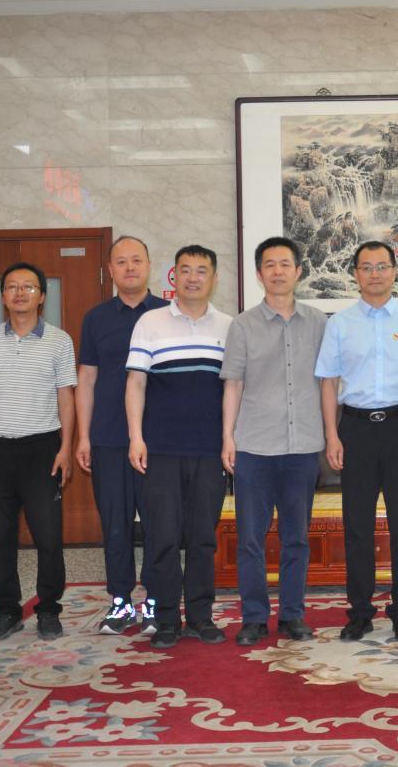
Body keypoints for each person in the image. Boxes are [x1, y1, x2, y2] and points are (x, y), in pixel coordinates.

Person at [316, 241, 398, 642]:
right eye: (366, 267)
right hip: (356, 429)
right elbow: (329, 383)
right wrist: (332, 434)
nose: (375, 274)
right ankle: (360, 612)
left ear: (395, 271)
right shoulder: (340, 323)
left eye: (382, 266)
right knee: (357, 527)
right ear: (355, 274)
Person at [221, 237, 328, 646]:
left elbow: (328, 383)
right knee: (250, 538)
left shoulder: (319, 322)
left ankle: (292, 615)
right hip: (254, 447)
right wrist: (227, 438)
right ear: (259, 273)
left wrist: (331, 435)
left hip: (303, 446)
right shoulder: (243, 325)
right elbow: (233, 384)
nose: (278, 271)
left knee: (296, 538)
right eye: (270, 264)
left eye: (285, 264)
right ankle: (253, 617)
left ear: (298, 271)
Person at [0, 262, 77, 642]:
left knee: (48, 535)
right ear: (3, 296)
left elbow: (66, 396)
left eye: (28, 287)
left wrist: (66, 447)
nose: (19, 293)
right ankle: (7, 610)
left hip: (42, 449)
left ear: (42, 296)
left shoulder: (59, 341)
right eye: (12, 286)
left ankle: (48, 609)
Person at [127, 245, 232, 649]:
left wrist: (229, 439)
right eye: (185, 270)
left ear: (214, 278)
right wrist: (136, 437)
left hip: (209, 449)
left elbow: (233, 388)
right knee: (163, 536)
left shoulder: (228, 326)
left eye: (201, 270)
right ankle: (167, 617)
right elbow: (135, 383)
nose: (193, 277)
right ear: (174, 276)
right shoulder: (150, 322)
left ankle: (201, 617)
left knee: (203, 536)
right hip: (161, 449)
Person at [76, 235, 168, 635]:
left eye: (136, 260)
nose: (129, 267)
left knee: (158, 523)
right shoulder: (96, 319)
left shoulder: (167, 313)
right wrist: (83, 436)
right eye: (121, 261)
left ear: (148, 265)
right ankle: (120, 601)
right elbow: (86, 379)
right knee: (114, 523)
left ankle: (154, 600)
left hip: (160, 439)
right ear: (110, 269)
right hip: (109, 437)